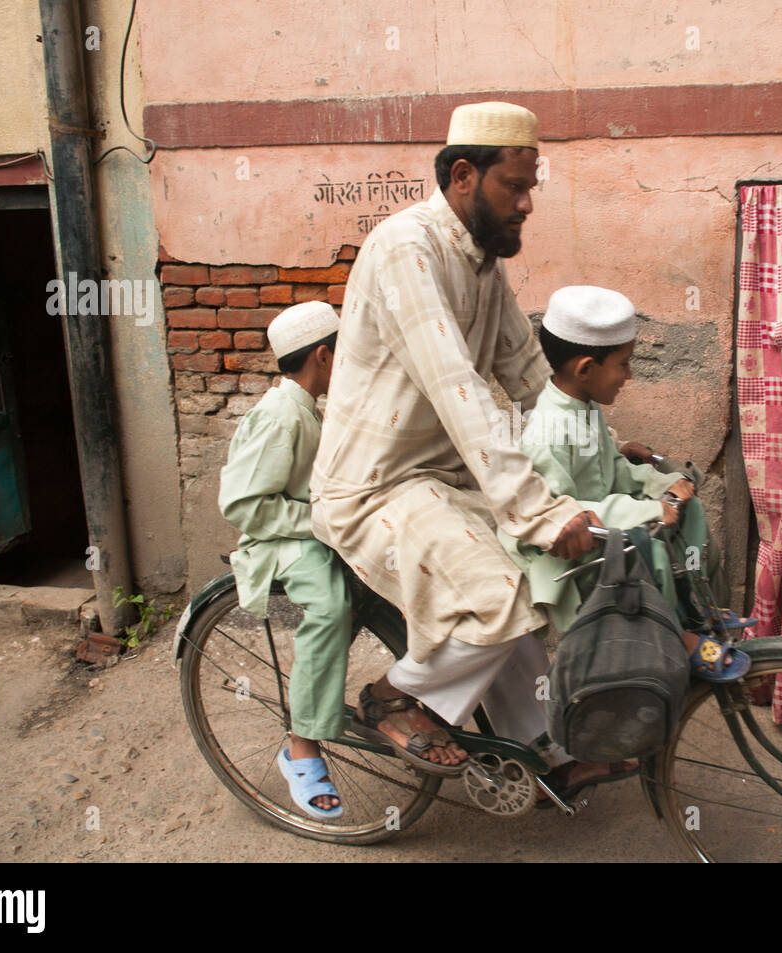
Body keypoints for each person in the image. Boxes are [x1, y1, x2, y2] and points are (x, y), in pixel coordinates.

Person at [310, 102, 631, 795]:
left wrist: (599, 452)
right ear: (463, 175)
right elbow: (460, 391)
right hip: (375, 486)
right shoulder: (407, 248)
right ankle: (396, 695)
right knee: (500, 592)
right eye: (516, 188)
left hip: (441, 480)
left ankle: (547, 750)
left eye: (530, 188)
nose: (527, 204)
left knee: (530, 583)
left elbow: (527, 375)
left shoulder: (482, 263)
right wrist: (539, 511)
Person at [501, 284, 751, 681]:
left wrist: (661, 484)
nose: (629, 375)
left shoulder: (585, 410)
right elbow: (560, 514)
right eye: (623, 363)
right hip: (572, 549)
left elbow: (615, 473)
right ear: (585, 368)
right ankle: (674, 633)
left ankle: (693, 605)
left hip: (602, 529)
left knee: (691, 511)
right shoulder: (548, 431)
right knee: (647, 548)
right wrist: (652, 508)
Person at [218, 301, 352, 818]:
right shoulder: (279, 416)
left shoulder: (306, 408)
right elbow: (245, 505)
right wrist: (317, 521)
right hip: (277, 540)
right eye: (344, 353)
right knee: (330, 605)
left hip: (306, 529)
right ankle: (301, 747)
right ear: (323, 355)